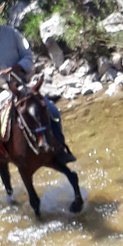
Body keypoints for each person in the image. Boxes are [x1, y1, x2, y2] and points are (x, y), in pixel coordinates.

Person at [0, 23, 76, 164]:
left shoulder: (12, 33)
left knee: (52, 110)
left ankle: (60, 149)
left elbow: (28, 55)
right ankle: (4, 158)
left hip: (23, 84)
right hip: (2, 91)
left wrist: (18, 67)